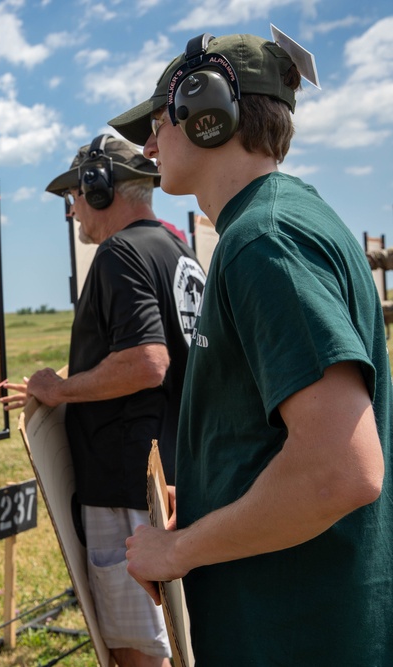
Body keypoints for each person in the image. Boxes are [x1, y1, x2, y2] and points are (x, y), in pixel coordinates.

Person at [108, 32, 393, 664]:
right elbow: (276, 440)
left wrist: (180, 550)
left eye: (158, 122)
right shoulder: (276, 223)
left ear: (207, 112)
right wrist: (213, 497)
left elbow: (340, 470)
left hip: (294, 633)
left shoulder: (265, 242)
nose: (149, 147)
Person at [4, 134, 206, 667]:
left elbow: (147, 361)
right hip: (167, 478)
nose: (72, 211)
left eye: (75, 194)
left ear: (100, 189)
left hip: (124, 487)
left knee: (137, 652)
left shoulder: (120, 253)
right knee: (178, 642)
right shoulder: (175, 251)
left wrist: (59, 389)